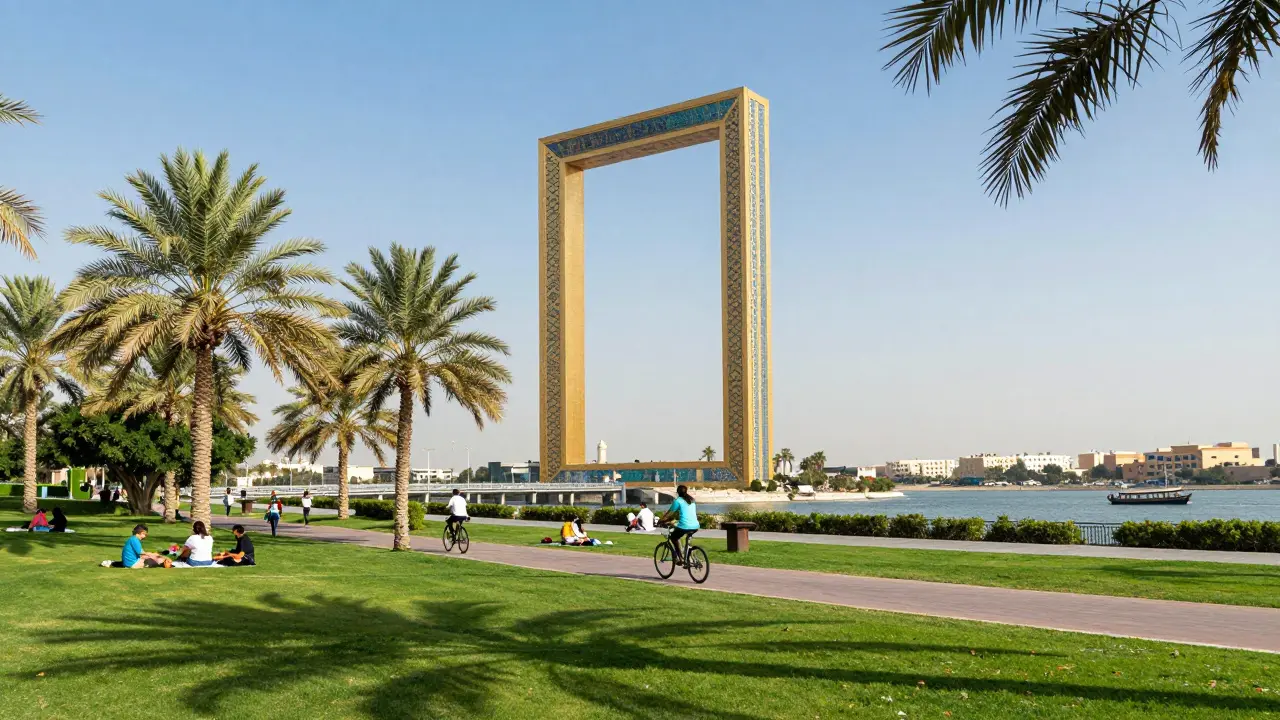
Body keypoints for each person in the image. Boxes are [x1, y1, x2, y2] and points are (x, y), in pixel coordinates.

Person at [658, 485, 700, 565]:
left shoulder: (678, 501)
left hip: (684, 526)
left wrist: (660, 521)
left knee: (673, 537)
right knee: (685, 537)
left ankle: (681, 559)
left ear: (677, 492)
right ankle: (688, 556)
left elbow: (669, 513)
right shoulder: (692, 500)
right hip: (696, 526)